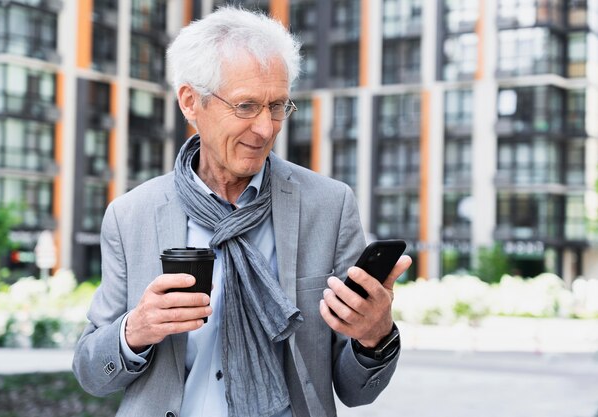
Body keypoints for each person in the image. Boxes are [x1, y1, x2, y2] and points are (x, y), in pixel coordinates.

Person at [72, 6, 412, 417]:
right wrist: (136, 330)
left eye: (277, 106)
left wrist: (374, 337)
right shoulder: (131, 216)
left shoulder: (330, 205)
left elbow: (356, 391)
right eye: (247, 106)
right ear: (190, 102)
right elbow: (91, 373)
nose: (266, 128)